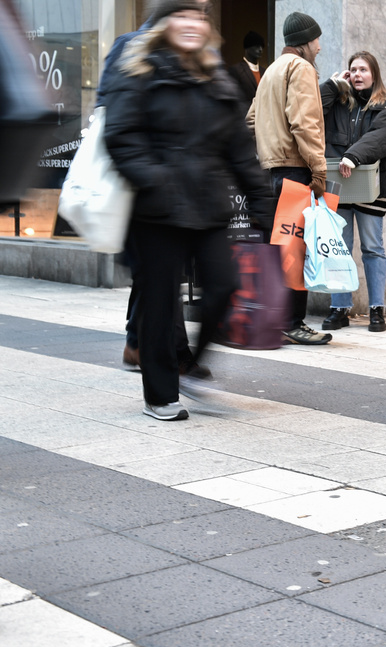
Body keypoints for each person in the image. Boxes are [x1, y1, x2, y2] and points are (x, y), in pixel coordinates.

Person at [104, 0, 275, 421]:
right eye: (180, 15)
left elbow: (238, 148)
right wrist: (156, 180)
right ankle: (160, 394)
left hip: (208, 206)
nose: (191, 23)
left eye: (198, 16)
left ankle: (190, 365)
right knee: (160, 304)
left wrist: (262, 203)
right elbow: (121, 137)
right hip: (156, 210)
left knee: (224, 285)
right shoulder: (138, 71)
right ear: (162, 24)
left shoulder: (215, 76)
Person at [96, 2, 206, 374]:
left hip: (181, 185)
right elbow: (106, 110)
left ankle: (139, 343)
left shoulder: (198, 56)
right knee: (158, 273)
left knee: (159, 274)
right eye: (188, 11)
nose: (194, 20)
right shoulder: (130, 45)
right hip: (145, 184)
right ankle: (167, 353)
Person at [246, 11, 331, 346]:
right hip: (295, 170)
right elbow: (304, 123)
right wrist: (319, 169)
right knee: (296, 248)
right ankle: (293, 322)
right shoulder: (301, 68)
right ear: (306, 42)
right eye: (317, 40)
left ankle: (273, 318)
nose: (320, 47)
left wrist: (266, 150)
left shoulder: (270, 72)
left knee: (275, 248)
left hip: (269, 171)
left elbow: (250, 120)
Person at [319, 51, 386, 333]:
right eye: (353, 70)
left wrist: (353, 156)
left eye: (363, 70)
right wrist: (332, 86)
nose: (357, 74)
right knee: (337, 248)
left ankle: (376, 309)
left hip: (370, 188)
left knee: (372, 248)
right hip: (339, 187)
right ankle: (339, 308)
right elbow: (311, 111)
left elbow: (382, 136)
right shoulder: (339, 101)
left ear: (374, 74)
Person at [227, 30, 264, 115]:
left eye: (262, 46)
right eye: (256, 46)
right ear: (247, 48)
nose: (260, 50)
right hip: (243, 118)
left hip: (262, 119)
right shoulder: (236, 70)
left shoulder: (265, 72)